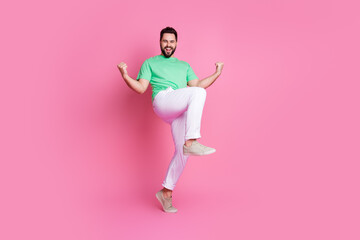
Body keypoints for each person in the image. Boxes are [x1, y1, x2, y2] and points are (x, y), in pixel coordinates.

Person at [117, 26, 224, 213]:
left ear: (176, 44)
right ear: (160, 42)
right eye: (165, 41)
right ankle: (192, 140)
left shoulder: (184, 66)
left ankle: (166, 192)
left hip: (179, 107)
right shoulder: (150, 62)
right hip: (164, 100)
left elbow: (197, 85)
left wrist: (217, 73)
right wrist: (125, 75)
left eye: (172, 41)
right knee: (197, 95)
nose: (168, 44)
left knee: (183, 153)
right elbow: (141, 88)